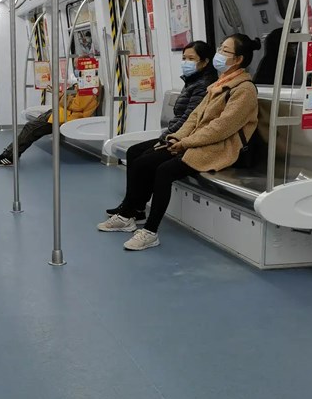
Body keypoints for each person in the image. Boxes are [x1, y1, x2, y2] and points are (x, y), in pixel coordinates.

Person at [97, 34, 260, 250]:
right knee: (144, 160)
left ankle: (150, 231)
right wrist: (177, 137)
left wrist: (185, 143)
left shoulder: (244, 90)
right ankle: (130, 215)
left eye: (225, 50)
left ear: (238, 59)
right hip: (198, 142)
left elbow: (221, 128)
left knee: (164, 171)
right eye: (220, 48)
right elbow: (194, 117)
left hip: (219, 148)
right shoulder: (220, 84)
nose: (219, 53)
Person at [105, 41, 216, 221]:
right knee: (133, 152)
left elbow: (189, 119)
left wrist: (166, 137)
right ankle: (133, 206)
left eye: (191, 59)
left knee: (144, 161)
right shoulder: (193, 81)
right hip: (174, 134)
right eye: (184, 58)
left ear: (204, 62)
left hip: (185, 140)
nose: (185, 62)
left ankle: (133, 209)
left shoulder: (204, 85)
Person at [0, 80, 99, 166]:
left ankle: (10, 157)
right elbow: (65, 100)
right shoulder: (80, 85)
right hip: (60, 112)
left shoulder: (89, 86)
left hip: (68, 117)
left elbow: (76, 106)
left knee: (31, 128)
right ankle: (9, 152)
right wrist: (63, 96)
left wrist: (64, 98)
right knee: (29, 126)